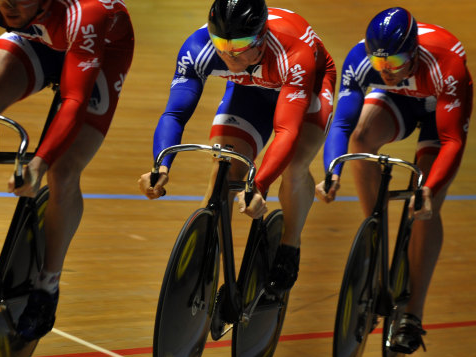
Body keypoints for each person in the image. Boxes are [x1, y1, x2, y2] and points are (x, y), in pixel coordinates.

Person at [0, 0, 134, 340]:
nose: (9, 5)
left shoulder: (85, 13)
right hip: (38, 40)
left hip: (97, 52)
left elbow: (75, 100)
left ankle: (47, 286)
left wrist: (38, 163)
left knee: (62, 171)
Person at [139, 0, 336, 297]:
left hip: (307, 84)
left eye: (241, 44)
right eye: (221, 42)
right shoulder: (198, 47)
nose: (229, 52)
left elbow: (287, 130)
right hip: (250, 86)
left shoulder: (293, 52)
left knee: (294, 165)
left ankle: (289, 246)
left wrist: (258, 184)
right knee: (223, 167)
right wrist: (161, 165)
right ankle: (208, 266)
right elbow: (175, 114)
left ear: (260, 37)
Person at [316, 7, 473, 354]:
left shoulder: (447, 65)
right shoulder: (362, 61)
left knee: (424, 206)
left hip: (438, 107)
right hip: (400, 99)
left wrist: (429, 189)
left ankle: (412, 315)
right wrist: (333, 170)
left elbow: (452, 141)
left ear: (414, 52)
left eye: (395, 62)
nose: (385, 71)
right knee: (360, 138)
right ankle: (374, 230)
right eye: (379, 64)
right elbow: (342, 125)